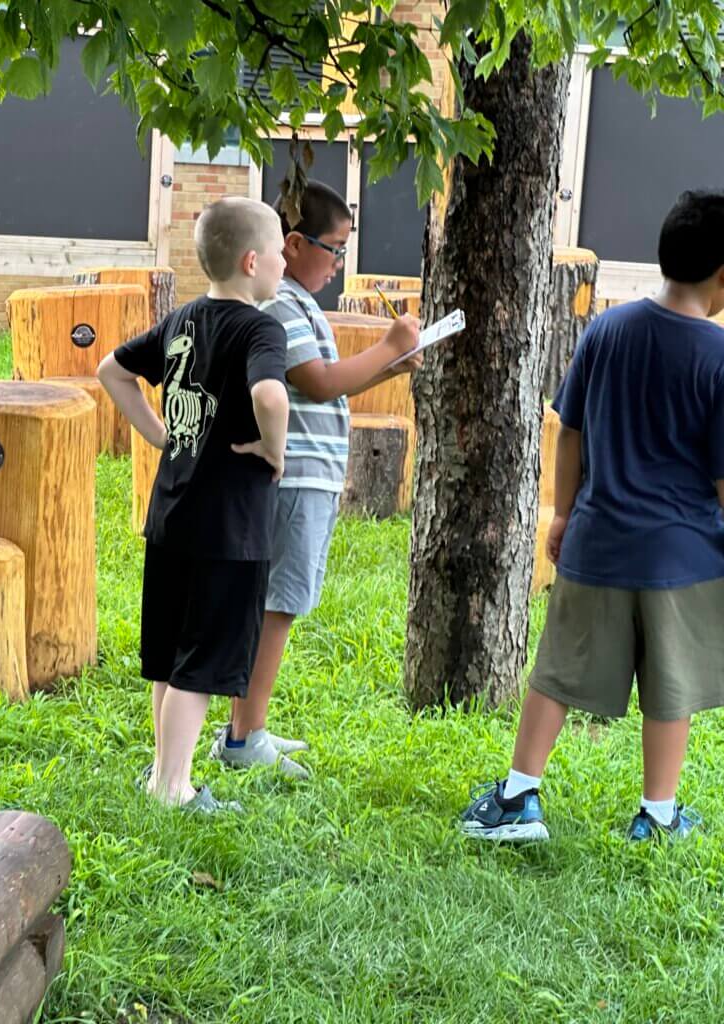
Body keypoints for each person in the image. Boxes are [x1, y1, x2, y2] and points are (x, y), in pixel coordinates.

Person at [460, 189, 724, 842]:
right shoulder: (718, 358)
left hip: (597, 540)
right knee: (673, 688)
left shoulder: (606, 329)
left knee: (556, 672)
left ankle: (520, 797)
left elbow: (569, 429)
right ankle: (658, 815)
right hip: (681, 557)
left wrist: (561, 514)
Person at [210, 179, 422, 777]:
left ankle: (245, 729)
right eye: (335, 248)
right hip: (296, 479)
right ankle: (243, 738)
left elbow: (332, 380)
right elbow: (318, 380)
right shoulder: (280, 303)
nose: (339, 263)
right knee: (278, 605)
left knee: (276, 603)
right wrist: (388, 345)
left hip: (310, 477)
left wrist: (388, 366)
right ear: (295, 244)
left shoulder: (297, 302)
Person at [98, 196, 289, 814]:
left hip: (172, 515)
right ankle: (174, 789)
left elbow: (112, 370)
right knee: (200, 664)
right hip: (227, 530)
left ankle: (162, 774)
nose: (285, 263)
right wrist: (272, 448)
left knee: (170, 655)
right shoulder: (261, 328)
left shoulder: (181, 319)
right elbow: (271, 395)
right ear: (252, 260)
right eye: (281, 253)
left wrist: (157, 433)